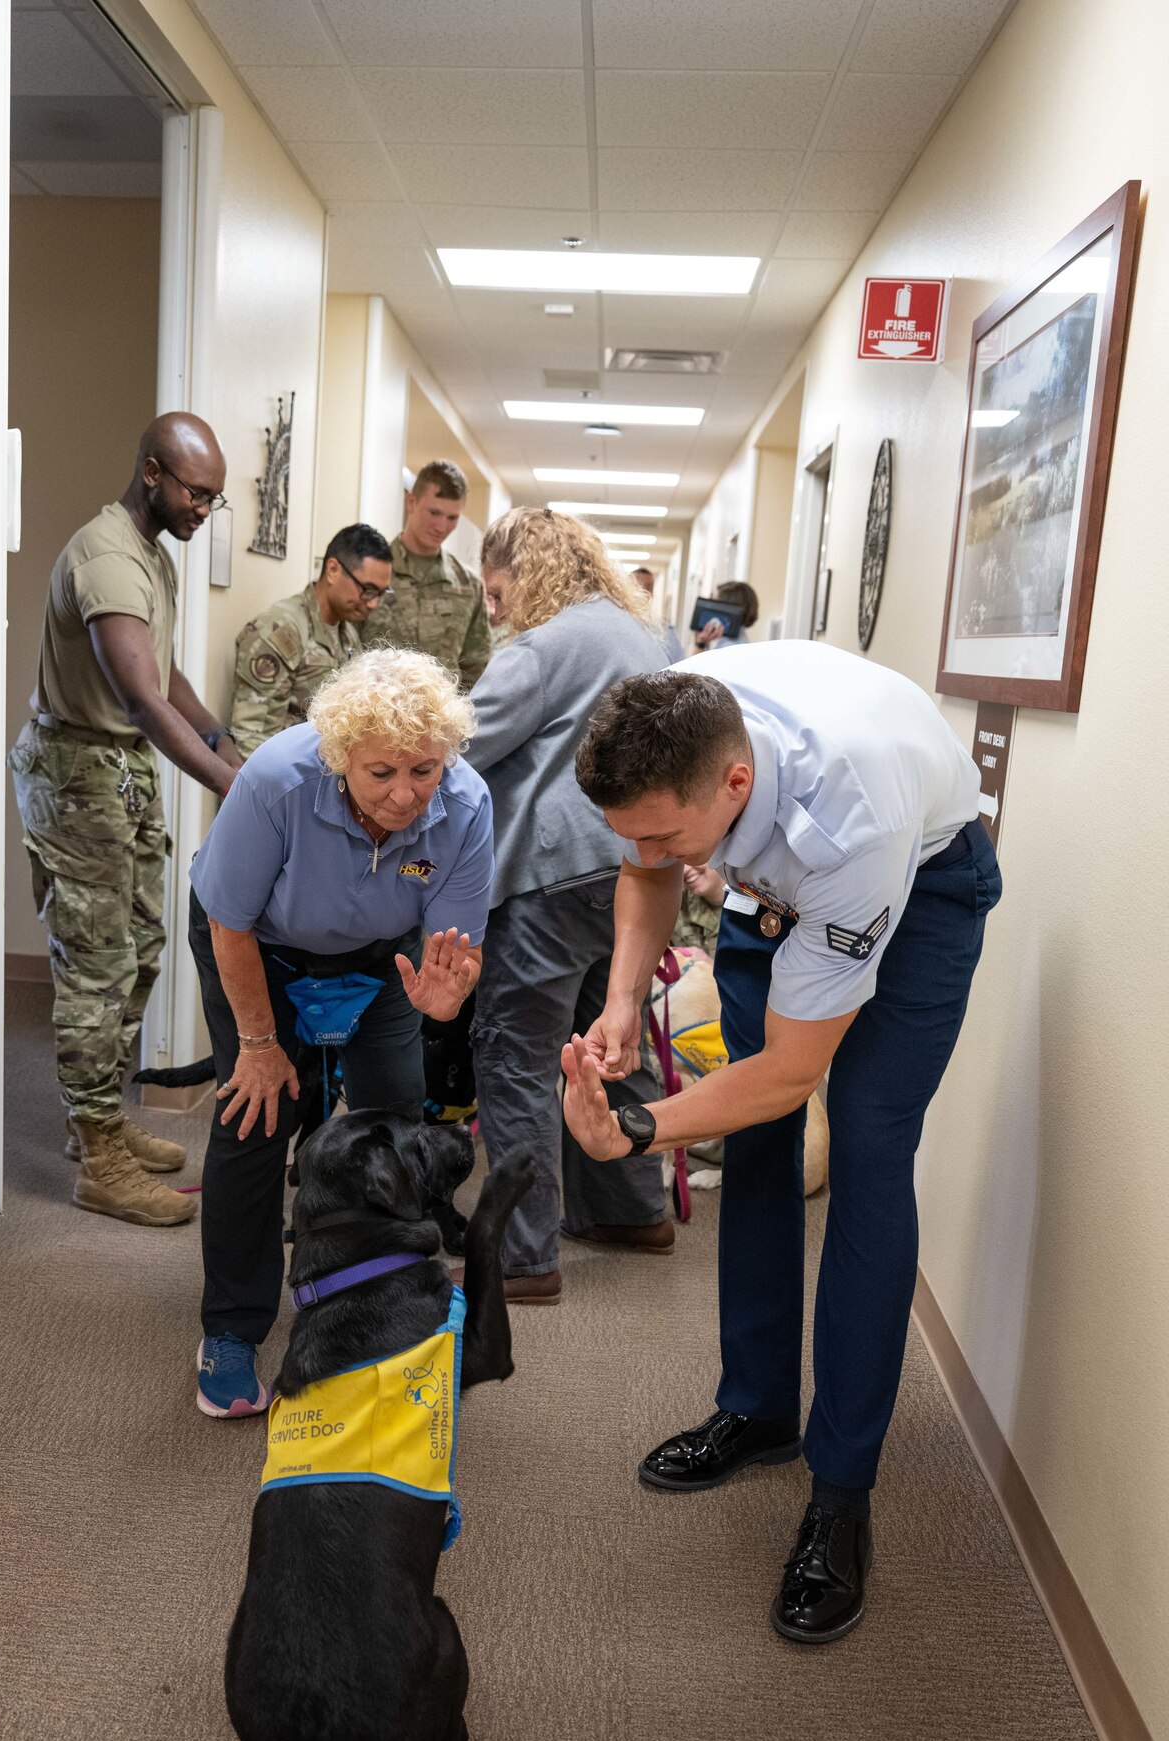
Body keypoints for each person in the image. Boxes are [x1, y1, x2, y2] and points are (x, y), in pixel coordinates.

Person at [563, 646, 1002, 1643]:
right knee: (754, 1146)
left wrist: (635, 1127)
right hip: (769, 879)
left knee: (866, 1150)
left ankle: (840, 1495)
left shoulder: (849, 815)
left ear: (734, 781)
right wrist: (624, 1002)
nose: (650, 845)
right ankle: (758, 1408)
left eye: (668, 830)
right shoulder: (664, 735)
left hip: (919, 882)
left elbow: (790, 1076)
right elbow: (649, 864)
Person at [186, 650, 493, 1418]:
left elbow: (453, 953)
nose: (404, 794)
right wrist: (259, 1047)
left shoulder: (466, 803)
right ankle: (231, 1327)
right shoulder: (276, 780)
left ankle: (386, 1297)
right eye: (380, 772)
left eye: (423, 770)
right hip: (259, 948)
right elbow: (230, 922)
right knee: (256, 1116)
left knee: (395, 1117)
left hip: (382, 960)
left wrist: (444, 1005)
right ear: (340, 757)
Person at [8, 412, 243, 1228]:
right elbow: (140, 701)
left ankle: (97, 1120)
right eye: (195, 494)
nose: (203, 512)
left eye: (214, 499)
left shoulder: (149, 552)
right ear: (151, 472)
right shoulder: (107, 556)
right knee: (96, 965)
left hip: (120, 777)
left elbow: (162, 667)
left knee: (140, 949)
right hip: (79, 777)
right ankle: (98, 1156)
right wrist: (227, 784)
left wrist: (221, 738)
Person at [465, 506, 673, 1305]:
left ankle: (521, 1256)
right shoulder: (638, 634)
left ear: (529, 571)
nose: (493, 609)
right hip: (625, 871)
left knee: (516, 1055)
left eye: (495, 589)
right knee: (606, 1043)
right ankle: (629, 1211)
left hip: (549, 877)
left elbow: (461, 742)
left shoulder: (544, 646)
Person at [229, 523, 394, 755]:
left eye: (381, 593)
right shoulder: (281, 630)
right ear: (333, 570)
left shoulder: (347, 633)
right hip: (285, 778)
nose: (373, 603)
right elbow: (253, 739)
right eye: (367, 589)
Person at [362, 460, 492, 690]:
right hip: (373, 712)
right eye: (434, 513)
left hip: (440, 718)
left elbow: (477, 667)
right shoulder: (369, 571)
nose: (441, 527)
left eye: (452, 518)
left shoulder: (468, 585)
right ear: (411, 502)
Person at [632, 565, 685, 664]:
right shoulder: (620, 622)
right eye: (638, 586)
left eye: (648, 586)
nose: (644, 591)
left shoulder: (664, 628)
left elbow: (678, 662)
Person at [695, 580, 758, 652]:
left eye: (716, 604)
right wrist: (702, 643)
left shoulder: (729, 648)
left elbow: (694, 663)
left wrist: (699, 644)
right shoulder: (734, 641)